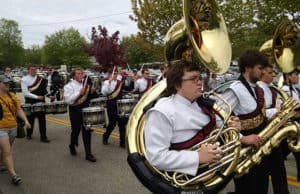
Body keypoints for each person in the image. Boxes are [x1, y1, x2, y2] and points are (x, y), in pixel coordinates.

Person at [144, 60, 240, 176]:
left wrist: (231, 127)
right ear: (177, 84)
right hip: (183, 178)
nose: (200, 82)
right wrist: (197, 157)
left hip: (211, 172)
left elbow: (219, 128)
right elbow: (157, 157)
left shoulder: (202, 104)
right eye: (194, 79)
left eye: (200, 78)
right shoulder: (162, 111)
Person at [222, 50, 270, 194]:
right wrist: (243, 137)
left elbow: (258, 113)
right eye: (260, 68)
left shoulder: (258, 88)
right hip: (244, 152)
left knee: (262, 186)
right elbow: (218, 118)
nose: (263, 72)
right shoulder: (235, 89)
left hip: (259, 147)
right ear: (248, 68)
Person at [257, 64, 290, 194]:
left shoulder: (272, 88)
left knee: (279, 168)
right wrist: (275, 111)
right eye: (270, 72)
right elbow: (259, 112)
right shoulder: (259, 88)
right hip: (263, 132)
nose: (273, 75)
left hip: (274, 132)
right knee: (263, 172)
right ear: (262, 73)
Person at [0, 75, 31, 185]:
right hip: (1, 129)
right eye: (5, 83)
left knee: (6, 150)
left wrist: (26, 121)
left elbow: (18, 110)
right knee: (7, 152)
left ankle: (1, 164)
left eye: (9, 83)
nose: (8, 84)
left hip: (13, 127)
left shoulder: (12, 96)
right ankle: (14, 175)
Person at [64, 68, 98, 162]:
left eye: (82, 73)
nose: (81, 75)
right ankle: (72, 145)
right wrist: (79, 93)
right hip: (75, 111)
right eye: (78, 73)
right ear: (74, 76)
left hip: (86, 111)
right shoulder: (69, 86)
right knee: (75, 131)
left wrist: (93, 91)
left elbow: (93, 97)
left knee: (87, 131)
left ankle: (88, 154)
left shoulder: (86, 84)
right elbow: (68, 100)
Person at [101, 68, 133, 148]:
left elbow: (129, 88)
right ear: (109, 75)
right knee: (112, 124)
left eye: (116, 74)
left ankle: (122, 143)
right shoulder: (106, 82)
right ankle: (105, 136)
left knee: (122, 125)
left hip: (120, 106)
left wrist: (132, 80)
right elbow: (104, 92)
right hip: (111, 106)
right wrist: (109, 82)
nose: (115, 75)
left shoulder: (119, 83)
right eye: (113, 74)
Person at [21, 65, 51, 143]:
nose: (33, 71)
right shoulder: (24, 79)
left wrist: (49, 96)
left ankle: (43, 137)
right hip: (30, 102)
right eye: (32, 69)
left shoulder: (41, 79)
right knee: (30, 119)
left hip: (41, 102)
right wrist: (37, 97)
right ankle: (29, 134)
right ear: (28, 70)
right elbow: (25, 93)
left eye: (35, 69)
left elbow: (44, 91)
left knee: (42, 120)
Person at [281, 69, 300, 182]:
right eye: (296, 74)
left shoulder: (294, 89)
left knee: (285, 148)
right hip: (293, 121)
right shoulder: (285, 90)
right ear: (288, 76)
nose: (298, 77)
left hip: (297, 120)